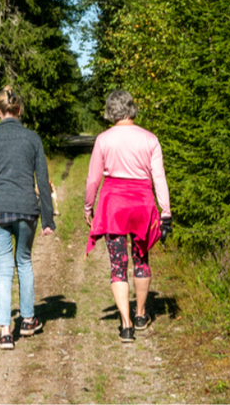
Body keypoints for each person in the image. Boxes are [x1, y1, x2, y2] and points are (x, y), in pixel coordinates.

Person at [84, 89, 173, 343]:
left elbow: (93, 179)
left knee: (118, 263)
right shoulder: (150, 139)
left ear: (110, 110)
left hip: (114, 205)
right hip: (143, 205)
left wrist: (88, 207)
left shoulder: (103, 139)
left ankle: (126, 325)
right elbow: (159, 178)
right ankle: (142, 313)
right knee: (141, 258)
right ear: (132, 108)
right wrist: (165, 213)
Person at [0, 85, 56, 350]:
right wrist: (47, 219)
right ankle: (29, 320)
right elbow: (42, 181)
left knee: (3, 269)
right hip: (25, 209)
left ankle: (5, 332)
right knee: (23, 261)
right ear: (19, 110)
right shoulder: (32, 139)